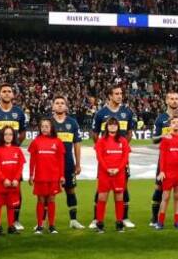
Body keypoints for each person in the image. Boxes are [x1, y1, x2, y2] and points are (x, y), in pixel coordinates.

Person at [0, 84, 28, 232]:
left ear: (13, 94)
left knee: (16, 187)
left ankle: (15, 220)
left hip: (13, 156)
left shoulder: (19, 113)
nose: (7, 94)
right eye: (4, 91)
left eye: (9, 91)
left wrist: (15, 146)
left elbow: (23, 132)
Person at [92, 85, 136, 229]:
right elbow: (95, 134)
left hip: (121, 158)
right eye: (116, 93)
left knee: (124, 187)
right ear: (110, 96)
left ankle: (124, 218)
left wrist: (122, 147)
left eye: (121, 93)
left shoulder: (127, 112)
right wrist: (104, 148)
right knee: (101, 190)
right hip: (106, 159)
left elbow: (129, 133)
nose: (119, 96)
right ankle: (96, 219)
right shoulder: (100, 113)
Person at [152, 91, 178, 228]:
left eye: (176, 98)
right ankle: (156, 219)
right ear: (167, 101)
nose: (174, 101)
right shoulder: (160, 119)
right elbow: (154, 139)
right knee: (159, 189)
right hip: (165, 162)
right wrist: (164, 136)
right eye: (172, 98)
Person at [48, 96, 84, 229]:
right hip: (51, 165)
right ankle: (44, 221)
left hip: (68, 164)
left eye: (62, 103)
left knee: (71, 191)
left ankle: (73, 220)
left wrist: (78, 164)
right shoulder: (48, 123)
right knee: (48, 193)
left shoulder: (72, 123)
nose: (59, 105)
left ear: (66, 106)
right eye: (57, 103)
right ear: (53, 106)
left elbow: (77, 144)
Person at [29, 117, 65, 234]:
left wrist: (62, 176)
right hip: (40, 176)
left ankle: (52, 226)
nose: (44, 129)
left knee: (51, 200)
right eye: (42, 126)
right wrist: (31, 175)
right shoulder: (36, 141)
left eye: (47, 126)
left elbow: (61, 161)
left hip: (54, 176)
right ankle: (40, 226)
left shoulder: (58, 142)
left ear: (51, 128)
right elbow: (32, 160)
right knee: (40, 200)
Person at [95, 117, 131, 233]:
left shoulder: (123, 140)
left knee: (119, 198)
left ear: (118, 127)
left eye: (115, 124)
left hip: (119, 174)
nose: (112, 126)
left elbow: (125, 157)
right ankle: (100, 224)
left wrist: (118, 169)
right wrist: (107, 169)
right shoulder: (101, 141)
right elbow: (99, 157)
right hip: (104, 174)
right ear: (107, 127)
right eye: (110, 124)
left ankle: (119, 223)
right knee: (102, 198)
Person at [0, 126, 25, 236]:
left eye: (10, 134)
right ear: (2, 136)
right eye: (6, 134)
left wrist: (16, 179)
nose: (8, 136)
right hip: (1, 184)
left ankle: (11, 226)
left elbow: (20, 166)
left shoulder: (18, 150)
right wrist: (4, 179)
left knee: (11, 205)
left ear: (13, 136)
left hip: (13, 184)